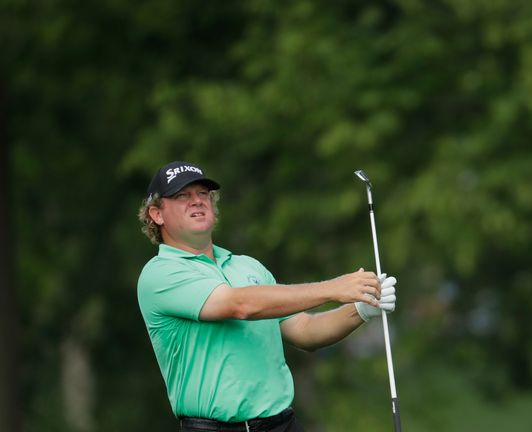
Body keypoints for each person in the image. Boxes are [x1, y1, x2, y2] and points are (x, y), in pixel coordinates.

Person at [136, 161, 397, 432]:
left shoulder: (249, 267)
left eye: (203, 194)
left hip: (282, 424)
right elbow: (239, 305)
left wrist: (362, 307)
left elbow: (305, 331)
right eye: (182, 196)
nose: (197, 201)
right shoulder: (160, 274)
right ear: (157, 214)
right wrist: (334, 288)